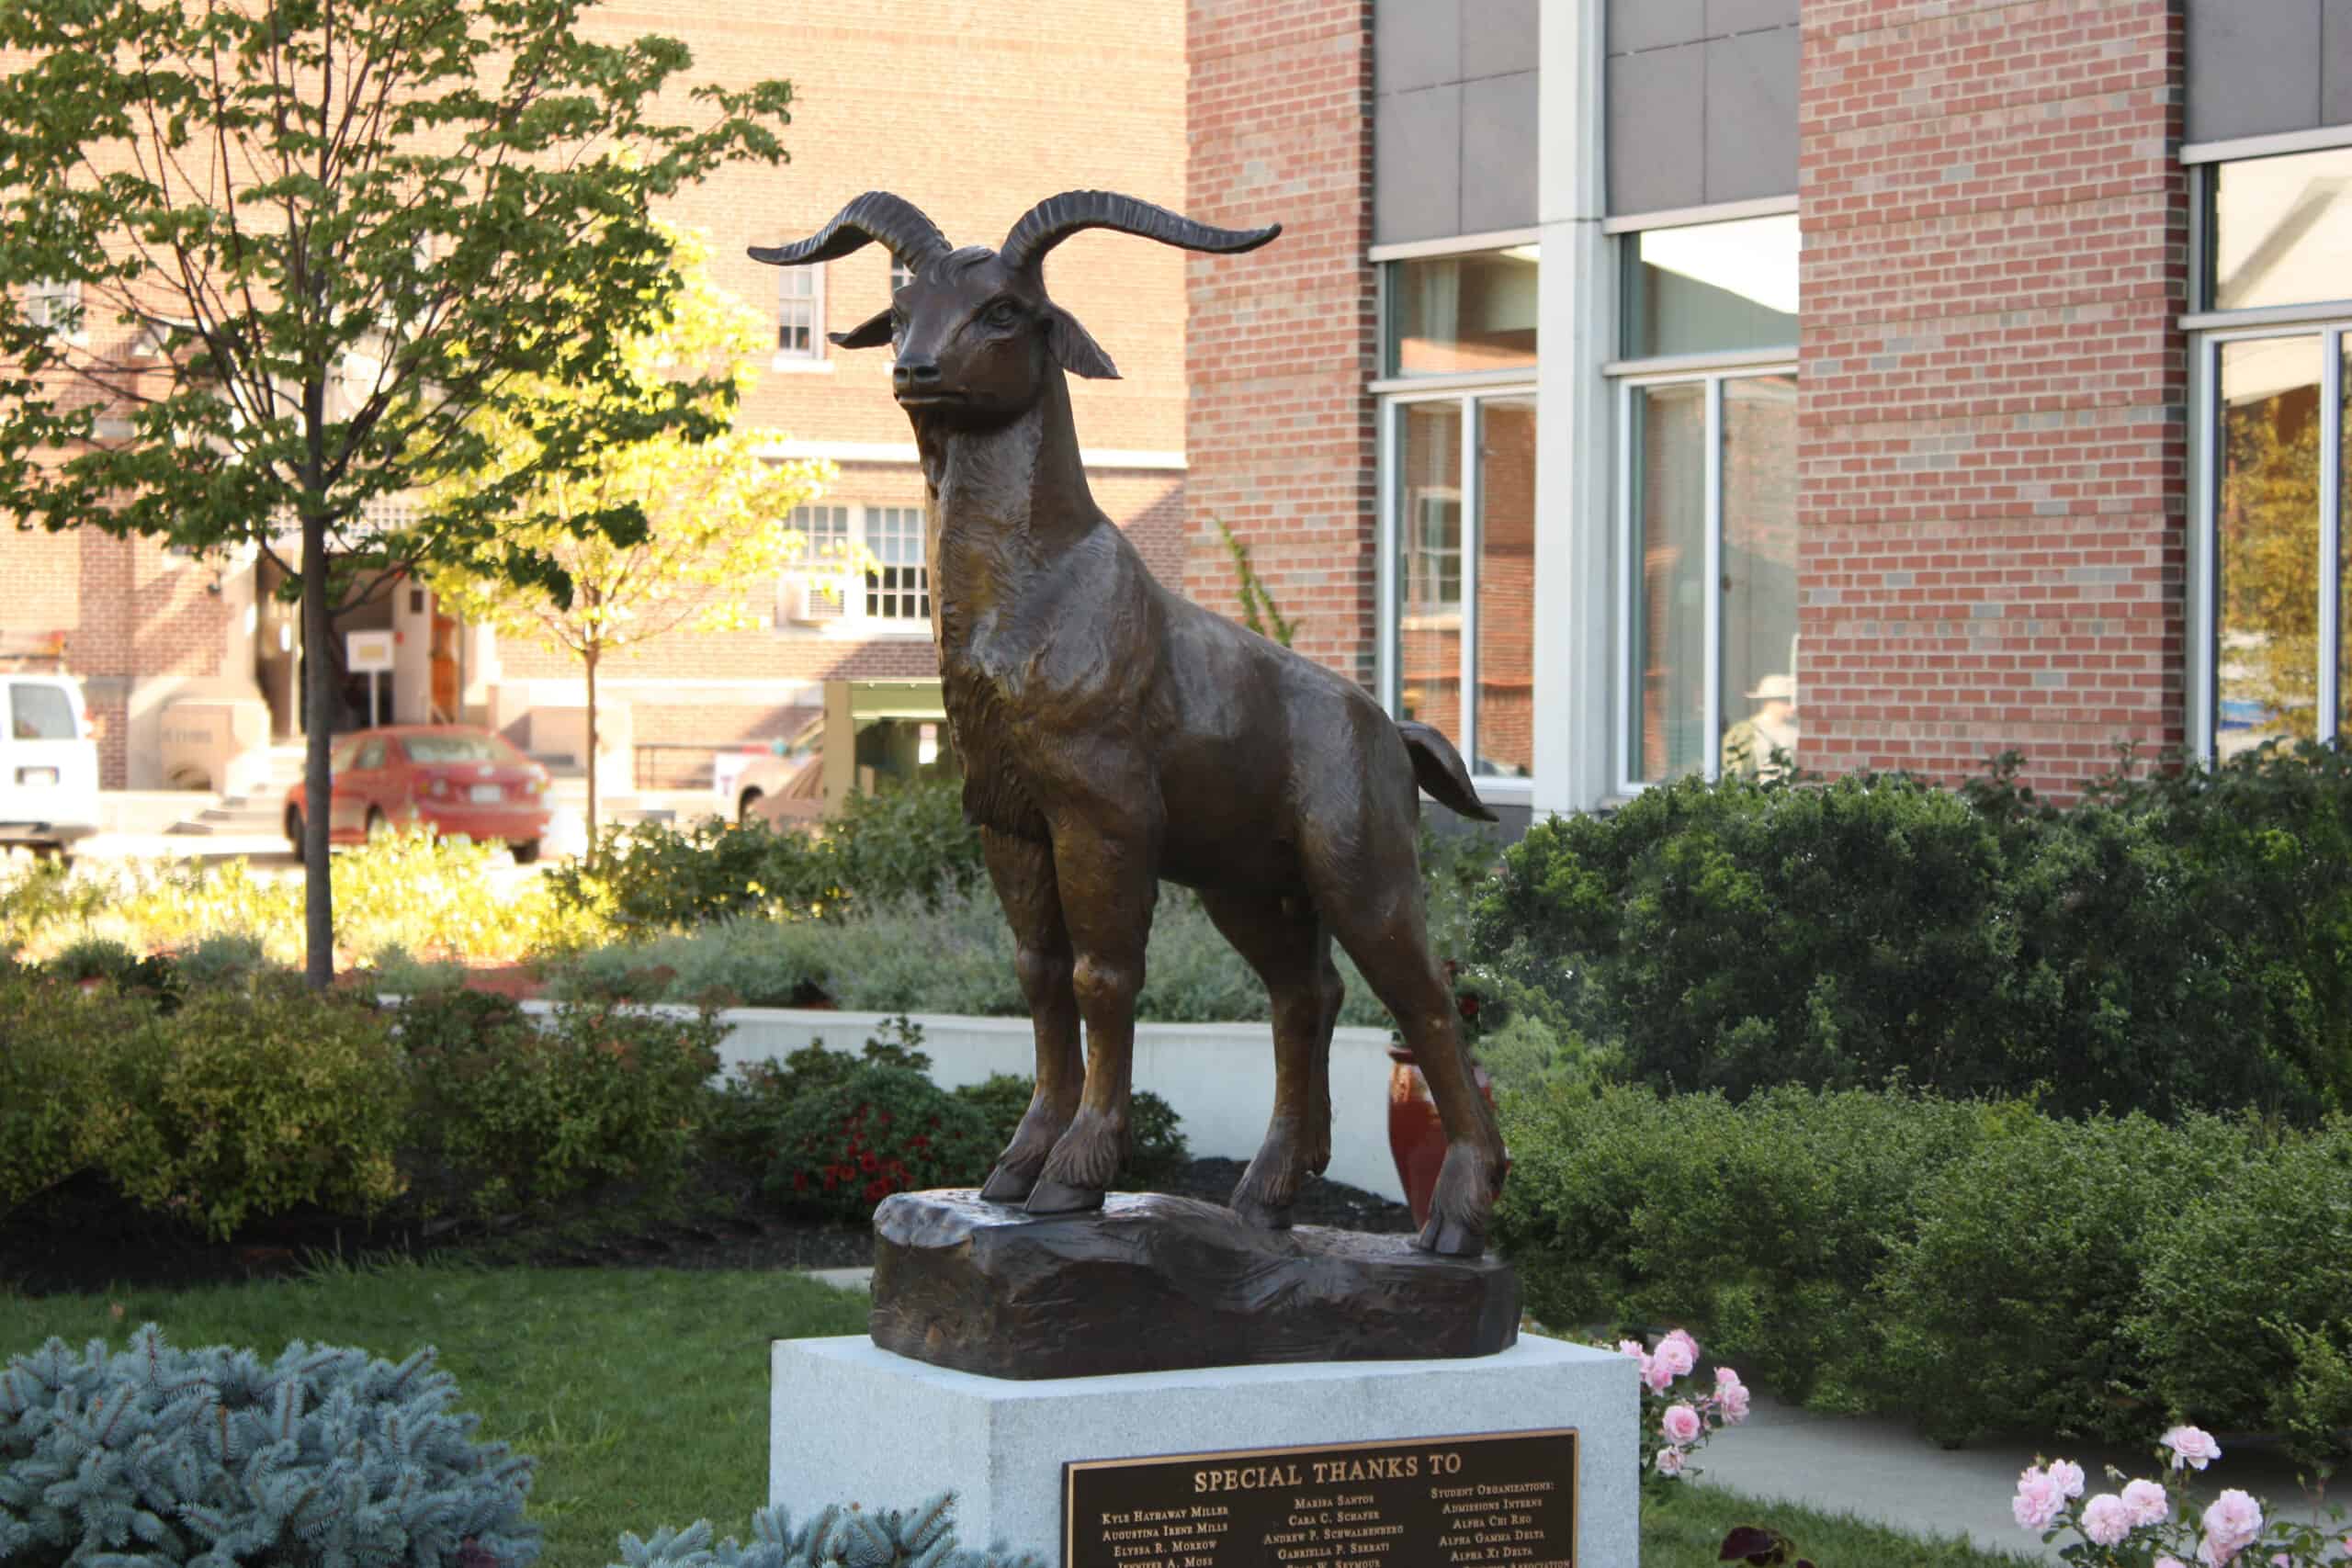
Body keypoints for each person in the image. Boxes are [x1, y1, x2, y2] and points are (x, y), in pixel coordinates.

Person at [1722, 672, 1799, 779]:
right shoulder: (1743, 732)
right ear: (1770, 702)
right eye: (1787, 701)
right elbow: (1734, 770)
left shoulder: (1795, 733)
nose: (1792, 707)